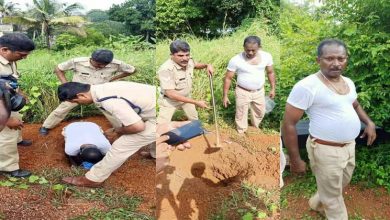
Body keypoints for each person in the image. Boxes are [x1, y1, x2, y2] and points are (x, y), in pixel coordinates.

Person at [281, 39, 377, 219]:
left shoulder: (348, 82)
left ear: (346, 59)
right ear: (318, 60)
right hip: (325, 150)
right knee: (334, 199)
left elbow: (354, 104)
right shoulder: (307, 86)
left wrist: (369, 122)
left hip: (349, 146)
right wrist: (295, 159)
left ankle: (317, 202)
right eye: (329, 58)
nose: (336, 63)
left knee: (341, 184)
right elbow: (288, 124)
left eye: (341, 59)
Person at [59, 81, 156, 187]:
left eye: (76, 101)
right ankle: (155, 154)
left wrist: (117, 132)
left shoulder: (108, 101)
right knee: (150, 131)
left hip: (164, 113)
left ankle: (94, 179)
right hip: (161, 105)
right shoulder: (103, 87)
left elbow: (137, 127)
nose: (78, 104)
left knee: (121, 146)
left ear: (81, 95)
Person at [39, 49, 136, 135]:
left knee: (111, 111)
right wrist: (66, 85)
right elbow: (58, 68)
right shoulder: (78, 62)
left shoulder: (116, 64)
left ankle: (121, 129)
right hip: (78, 92)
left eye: (104, 65)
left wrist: (115, 78)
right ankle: (46, 126)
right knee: (62, 108)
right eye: (98, 64)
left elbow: (132, 70)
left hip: (100, 92)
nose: (101, 66)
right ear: (91, 59)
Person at [223, 36, 276, 134]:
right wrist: (225, 96)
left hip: (259, 91)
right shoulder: (236, 60)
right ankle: (241, 131)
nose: (250, 53)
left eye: (253, 50)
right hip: (242, 91)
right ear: (243, 47)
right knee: (241, 113)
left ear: (259, 47)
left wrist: (273, 88)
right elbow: (228, 78)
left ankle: (254, 128)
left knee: (260, 112)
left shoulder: (266, 57)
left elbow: (270, 72)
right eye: (248, 50)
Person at [0, 33, 35, 177]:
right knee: (6, 135)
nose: (24, 57)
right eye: (21, 55)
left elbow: (10, 80)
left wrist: (19, 93)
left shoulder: (9, 59)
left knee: (17, 119)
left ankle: (18, 140)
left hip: (8, 100)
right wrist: (6, 119)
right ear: (4, 49)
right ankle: (7, 168)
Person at [157, 39, 214, 123]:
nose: (185, 58)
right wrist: (196, 102)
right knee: (161, 125)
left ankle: (197, 131)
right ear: (171, 55)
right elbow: (171, 94)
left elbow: (196, 64)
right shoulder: (166, 69)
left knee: (195, 120)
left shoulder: (189, 60)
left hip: (187, 98)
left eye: (187, 55)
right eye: (180, 56)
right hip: (170, 101)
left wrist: (207, 65)